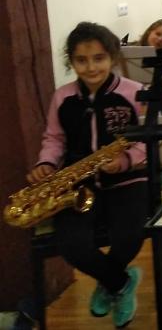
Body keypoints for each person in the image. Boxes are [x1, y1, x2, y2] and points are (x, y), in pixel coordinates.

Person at [29, 22, 147, 328]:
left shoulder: (135, 93)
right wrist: (46, 164)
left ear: (112, 57)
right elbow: (54, 139)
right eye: (82, 60)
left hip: (127, 181)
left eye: (98, 58)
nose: (91, 66)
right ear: (71, 61)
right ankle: (120, 283)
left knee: (129, 237)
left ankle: (110, 283)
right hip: (78, 183)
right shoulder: (63, 97)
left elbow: (148, 140)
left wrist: (124, 161)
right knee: (72, 245)